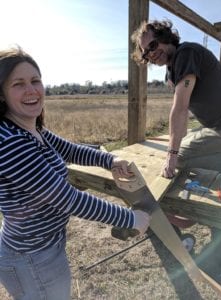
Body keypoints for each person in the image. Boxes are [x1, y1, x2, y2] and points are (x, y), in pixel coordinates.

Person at [0, 47, 150, 300]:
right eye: (18, 84)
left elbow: (70, 150)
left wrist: (111, 160)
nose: (31, 90)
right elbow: (67, 198)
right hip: (33, 256)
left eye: (35, 80)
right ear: (2, 94)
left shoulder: (31, 129)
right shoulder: (10, 141)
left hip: (39, 246)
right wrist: (130, 219)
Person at [131, 19, 221, 178]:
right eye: (146, 53)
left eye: (152, 46)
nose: (151, 54)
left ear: (165, 37)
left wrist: (171, 156)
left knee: (179, 158)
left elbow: (180, 107)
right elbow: (184, 110)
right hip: (215, 125)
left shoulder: (187, 53)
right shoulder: (171, 70)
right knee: (180, 142)